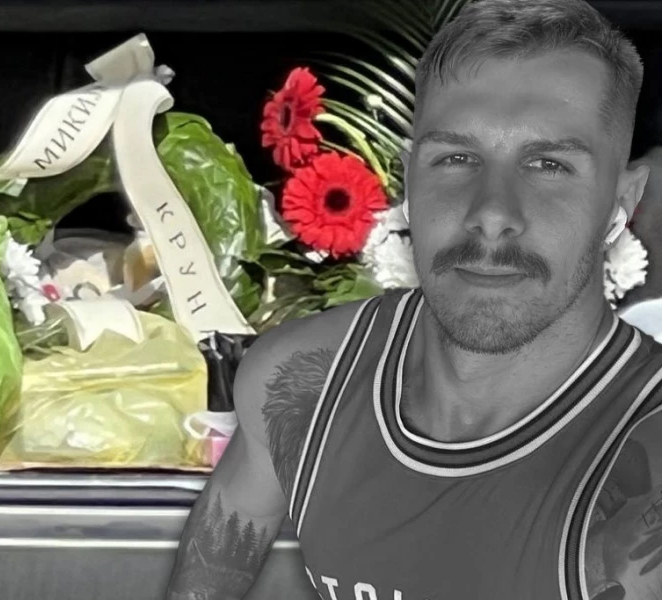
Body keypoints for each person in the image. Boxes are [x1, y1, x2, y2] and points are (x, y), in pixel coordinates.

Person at [164, 0, 662, 598]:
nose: (492, 214)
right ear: (409, 179)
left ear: (621, 201)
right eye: (457, 159)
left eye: (549, 165)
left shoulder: (644, 451)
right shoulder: (301, 381)